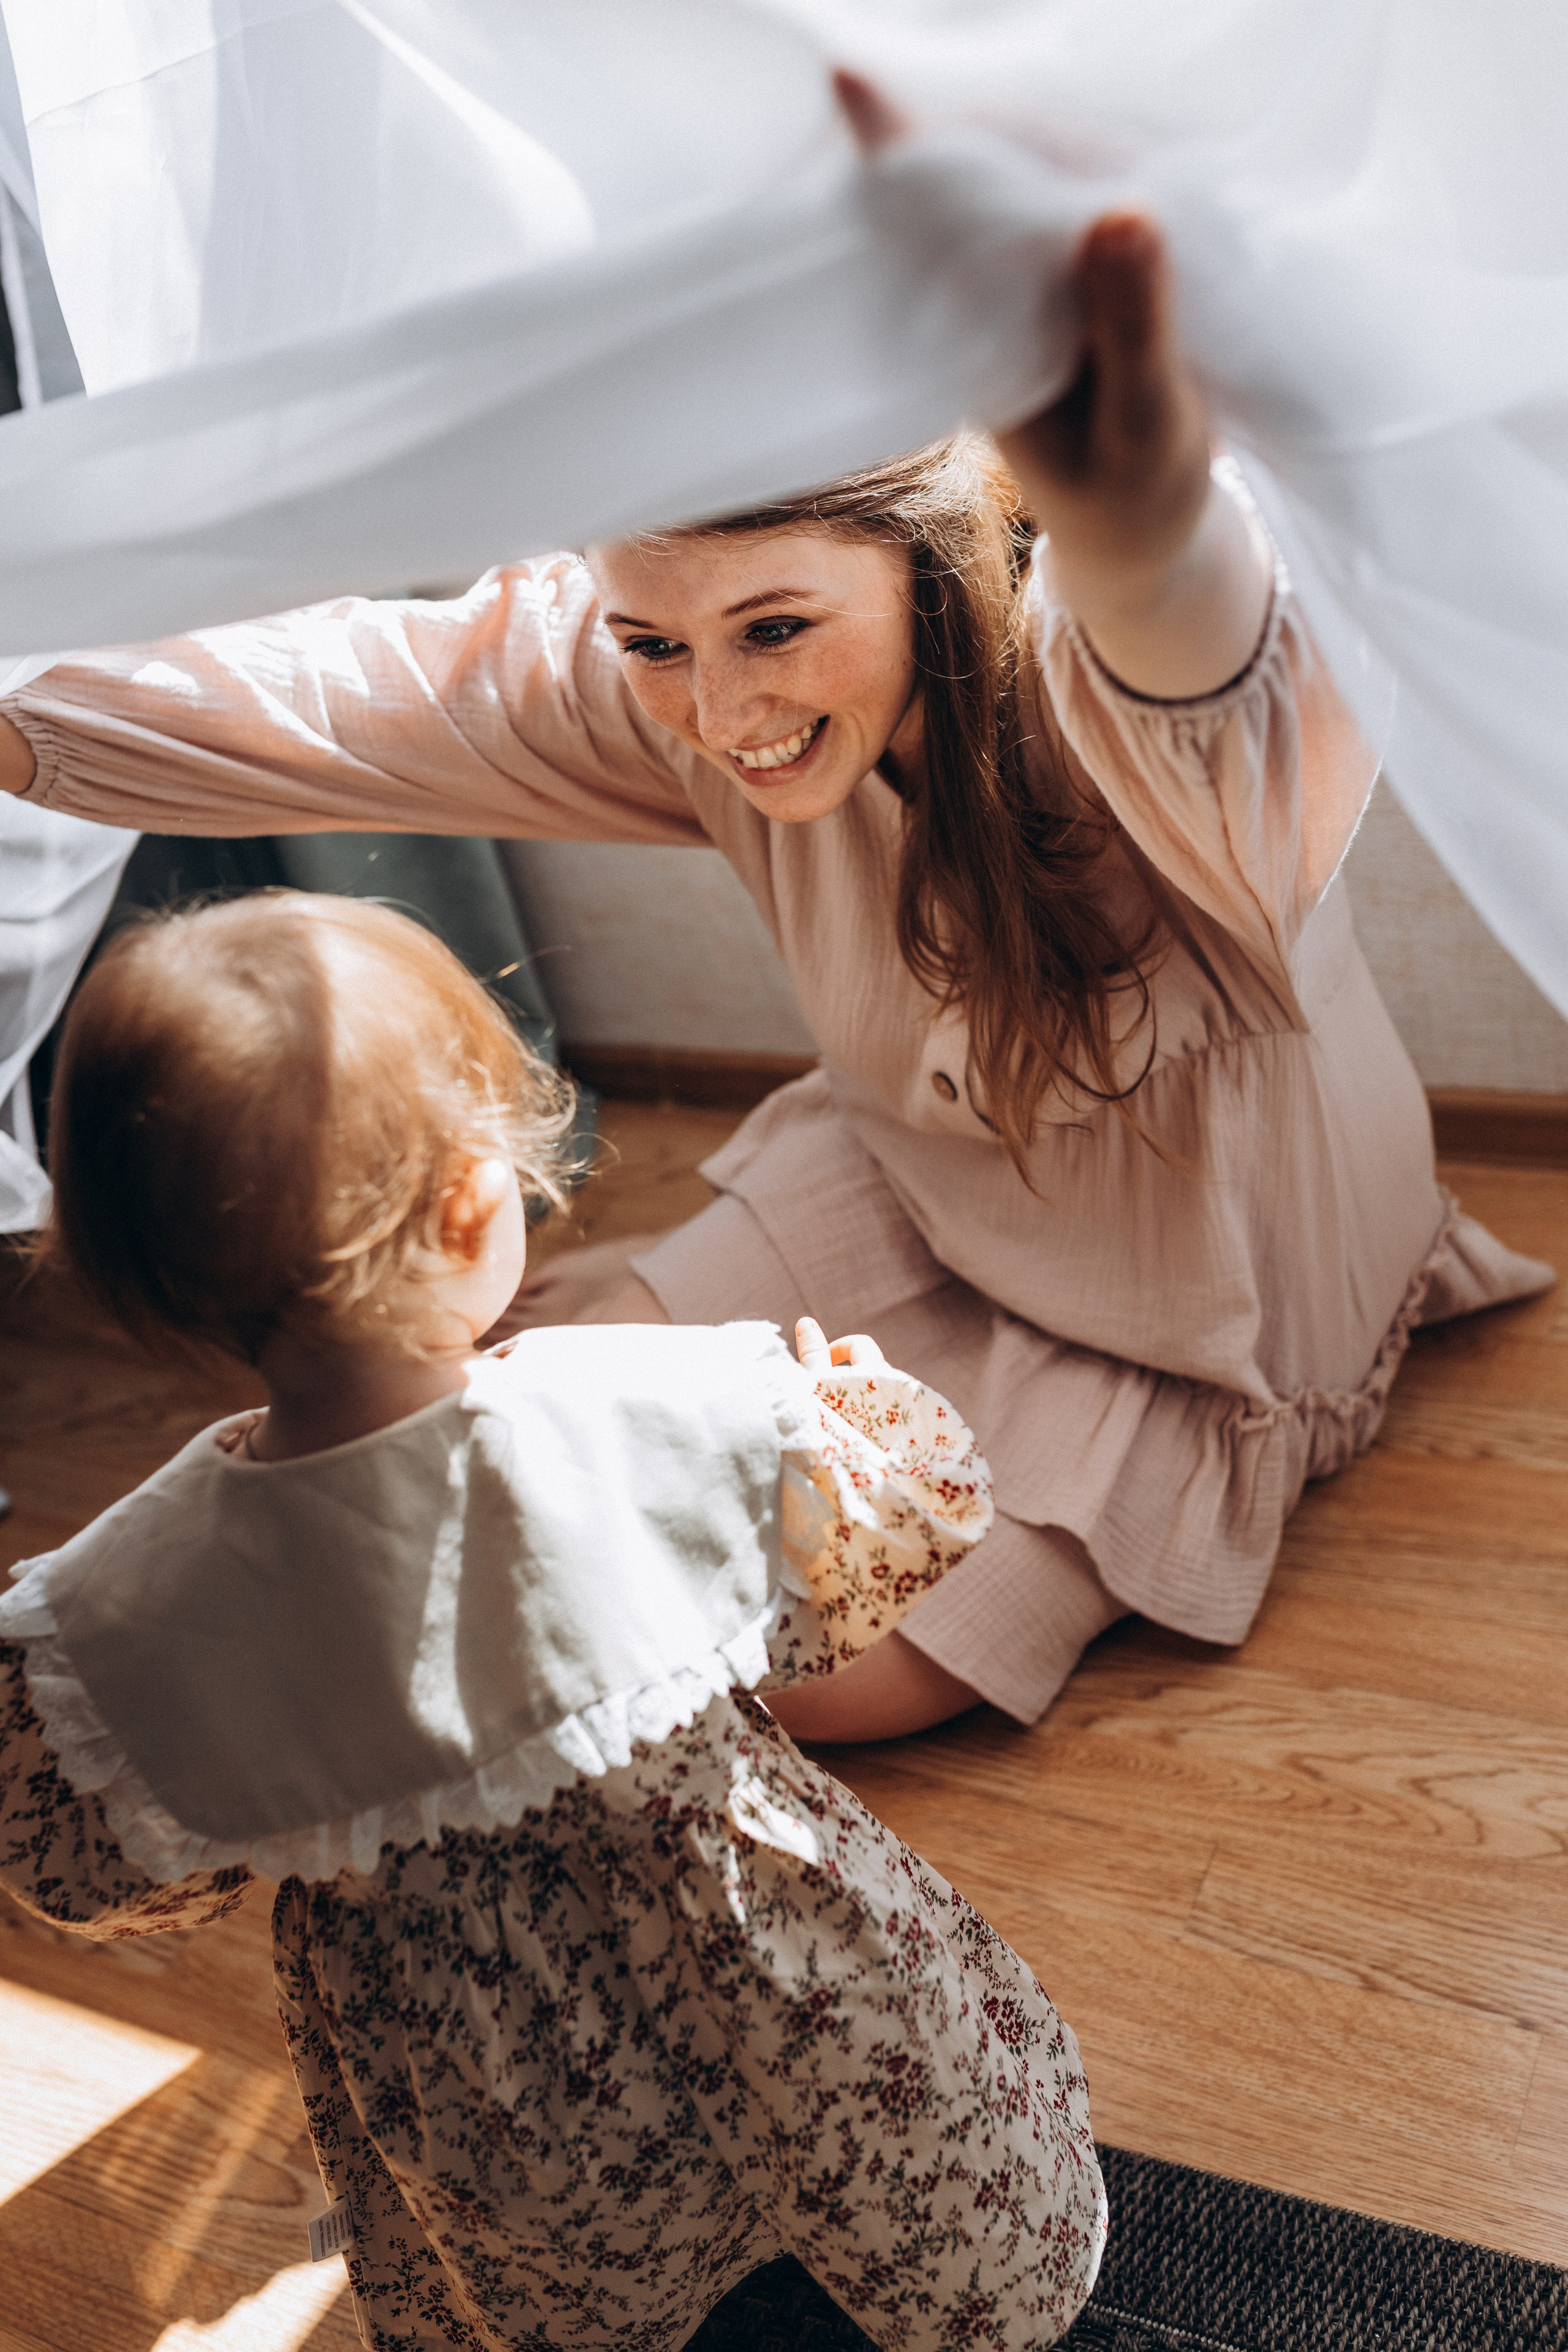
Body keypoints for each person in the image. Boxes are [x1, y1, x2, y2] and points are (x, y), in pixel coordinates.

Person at [0, 214, 1550, 1746]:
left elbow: (1205, 664)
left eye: (776, 628)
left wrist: (1142, 523)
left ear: (927, 552)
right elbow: (351, 697)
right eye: (653, 644)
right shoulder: (670, 678)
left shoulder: (1113, 718)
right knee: (521, 1374)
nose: (720, 709)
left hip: (1199, 1292)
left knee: (815, 1674)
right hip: (921, 1175)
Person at [0, 891, 1106, 2350]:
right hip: (786, 1990)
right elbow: (905, 1529)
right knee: (885, 2177)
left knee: (578, 2281)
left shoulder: (132, 1598)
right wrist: (819, 1405)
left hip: (492, 2104)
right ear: (474, 1204)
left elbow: (89, 1867)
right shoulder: (640, 1411)